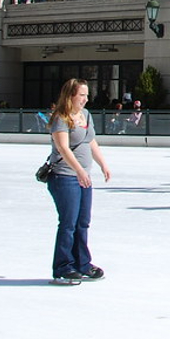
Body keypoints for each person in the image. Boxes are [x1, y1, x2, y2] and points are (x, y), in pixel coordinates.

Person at [45, 78, 111, 286]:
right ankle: (63, 267)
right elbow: (63, 148)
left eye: (86, 95)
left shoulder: (86, 115)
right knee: (68, 223)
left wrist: (102, 164)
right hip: (64, 177)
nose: (85, 99)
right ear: (70, 95)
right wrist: (79, 170)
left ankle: (82, 263)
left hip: (83, 176)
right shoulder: (60, 118)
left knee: (83, 222)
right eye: (81, 95)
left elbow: (91, 141)